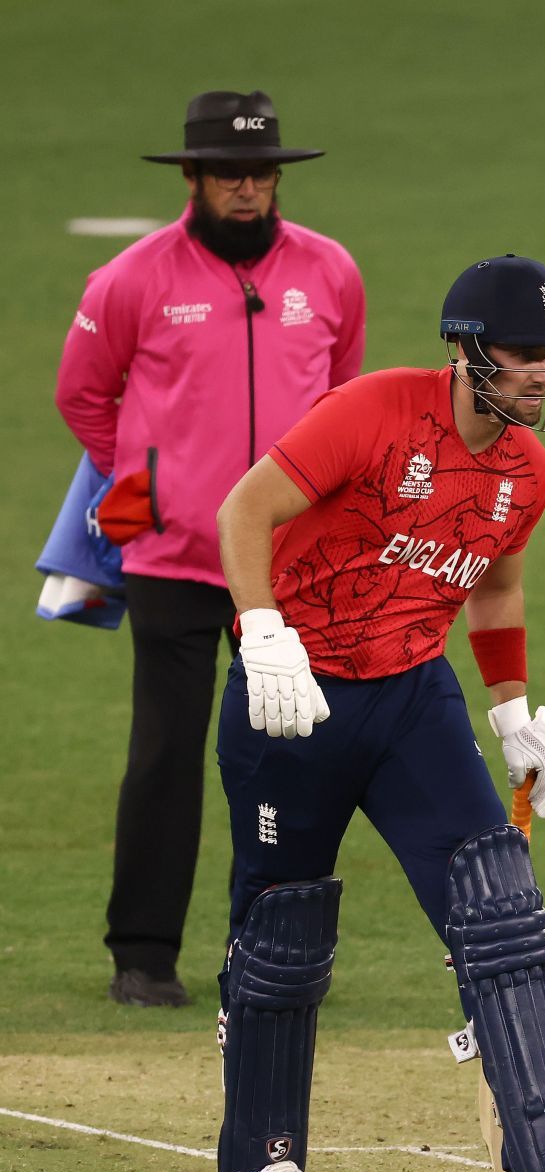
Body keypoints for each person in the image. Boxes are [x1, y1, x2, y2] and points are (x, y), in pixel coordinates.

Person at [209, 254, 545, 1172]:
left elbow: (496, 585)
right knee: (283, 924)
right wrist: (264, 632)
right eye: (526, 353)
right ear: (469, 349)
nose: (544, 372)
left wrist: (513, 711)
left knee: (499, 907)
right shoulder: (373, 410)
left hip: (412, 698)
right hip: (294, 697)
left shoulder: (528, 469)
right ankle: (258, 1154)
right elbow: (245, 510)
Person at [54, 89, 365, 1007]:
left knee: (293, 754)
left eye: (260, 172)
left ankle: (279, 952)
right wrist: (149, 485)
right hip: (175, 560)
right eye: (228, 172)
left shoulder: (331, 272)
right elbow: (84, 396)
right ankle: (143, 954)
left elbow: (342, 400)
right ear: (191, 176)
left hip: (286, 564)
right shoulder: (130, 280)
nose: (246, 187)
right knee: (165, 754)